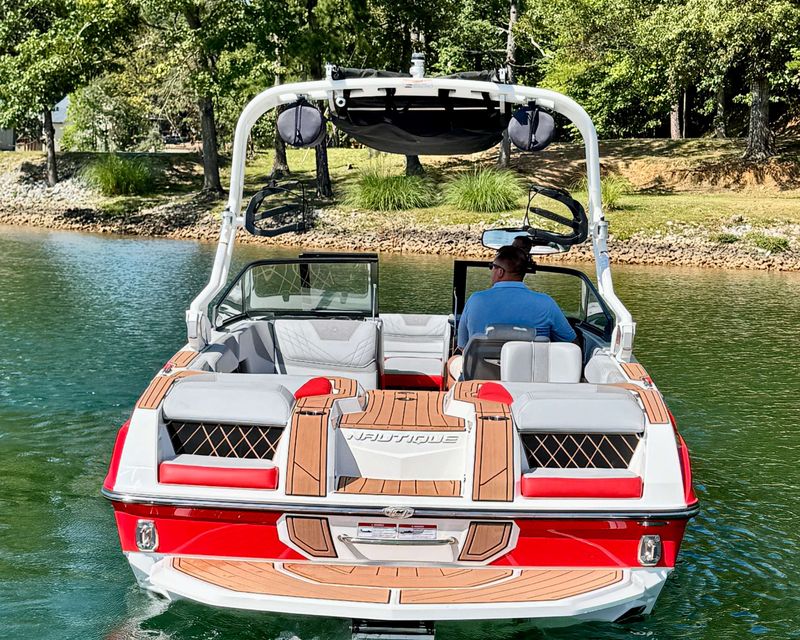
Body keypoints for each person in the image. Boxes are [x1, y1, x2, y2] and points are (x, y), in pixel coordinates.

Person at [457, 245, 576, 349]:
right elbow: (571, 344)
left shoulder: (475, 300)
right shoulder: (546, 303)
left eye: (492, 266)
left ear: (500, 272)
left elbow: (463, 346)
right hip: (533, 368)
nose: (491, 270)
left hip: (481, 368)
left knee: (454, 359)